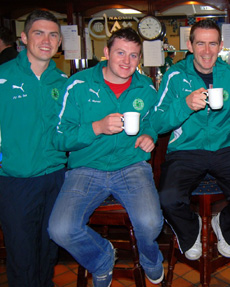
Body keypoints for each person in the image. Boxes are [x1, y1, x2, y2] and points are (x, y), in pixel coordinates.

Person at [48, 28, 164, 287]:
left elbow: (152, 122)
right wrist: (96, 127)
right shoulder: (78, 85)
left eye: (134, 55)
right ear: (106, 53)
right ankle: (101, 257)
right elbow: (58, 137)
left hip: (131, 165)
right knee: (60, 229)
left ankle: (150, 258)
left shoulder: (145, 87)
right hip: (85, 168)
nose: (127, 61)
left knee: (151, 223)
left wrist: (149, 135)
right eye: (120, 53)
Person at [150, 19, 230, 261]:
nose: (207, 51)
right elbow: (156, 123)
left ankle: (225, 226)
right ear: (190, 45)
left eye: (212, 44)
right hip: (185, 150)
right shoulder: (175, 75)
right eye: (200, 43)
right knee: (167, 199)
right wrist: (185, 105)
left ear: (221, 45)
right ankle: (191, 231)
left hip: (225, 148)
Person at [0, 10, 67, 287]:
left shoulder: (63, 83)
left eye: (53, 35)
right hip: (14, 182)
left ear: (60, 41)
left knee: (49, 253)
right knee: (22, 256)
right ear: (24, 38)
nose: (46, 40)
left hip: (56, 180)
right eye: (38, 33)